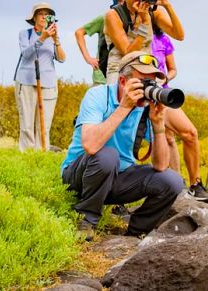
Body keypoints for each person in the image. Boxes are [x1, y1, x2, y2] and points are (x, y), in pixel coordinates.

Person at [60, 51, 184, 240]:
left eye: (152, 83)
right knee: (108, 156)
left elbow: (160, 165)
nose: (147, 88)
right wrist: (124, 107)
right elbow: (91, 146)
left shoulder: (145, 108)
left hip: (116, 178)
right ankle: (86, 219)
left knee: (172, 181)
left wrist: (159, 127)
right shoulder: (98, 95)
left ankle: (135, 233)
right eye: (143, 82)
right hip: (81, 176)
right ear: (123, 81)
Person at [151, 30, 208, 201]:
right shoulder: (133, 32)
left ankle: (195, 184)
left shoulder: (162, 39)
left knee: (189, 133)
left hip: (161, 92)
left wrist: (163, 78)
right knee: (161, 138)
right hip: (138, 93)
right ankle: (171, 185)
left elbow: (173, 69)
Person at [104, 0, 184, 84]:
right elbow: (129, 54)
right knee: (119, 99)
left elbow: (179, 35)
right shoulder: (113, 15)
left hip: (146, 67)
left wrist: (167, 5)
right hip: (121, 68)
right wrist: (145, 23)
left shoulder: (153, 12)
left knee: (159, 99)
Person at [13, 2, 65, 151]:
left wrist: (56, 40)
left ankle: (41, 155)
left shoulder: (53, 37)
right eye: (41, 13)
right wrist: (42, 38)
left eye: (47, 14)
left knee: (44, 126)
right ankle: (27, 157)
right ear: (34, 17)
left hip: (48, 84)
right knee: (27, 125)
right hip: (26, 81)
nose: (44, 16)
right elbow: (26, 54)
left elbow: (61, 58)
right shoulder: (25, 34)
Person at [74, 0, 122, 86]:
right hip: (102, 77)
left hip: (122, 75)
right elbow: (79, 33)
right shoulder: (104, 18)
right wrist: (88, 58)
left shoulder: (133, 21)